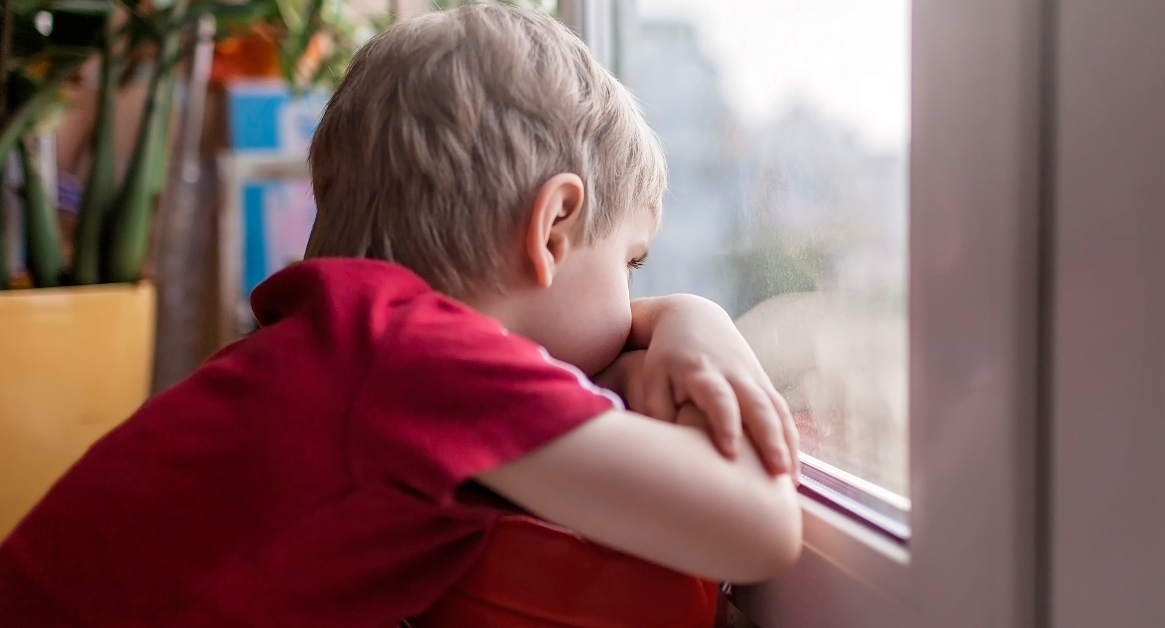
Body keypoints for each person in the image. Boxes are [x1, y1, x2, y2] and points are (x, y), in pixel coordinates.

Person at [0, 5, 802, 626]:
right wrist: (698, 322)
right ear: (553, 228)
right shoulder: (420, 360)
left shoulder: (330, 345)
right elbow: (760, 530)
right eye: (632, 266)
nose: (635, 310)